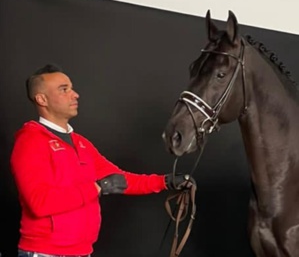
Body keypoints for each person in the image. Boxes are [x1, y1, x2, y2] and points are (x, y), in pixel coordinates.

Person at [10, 64, 195, 257]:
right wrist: (97, 188)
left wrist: (165, 181)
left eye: (71, 88)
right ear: (42, 99)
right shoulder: (30, 142)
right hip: (45, 253)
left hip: (82, 252)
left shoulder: (81, 144)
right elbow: (39, 203)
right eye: (64, 89)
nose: (75, 94)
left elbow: (120, 179)